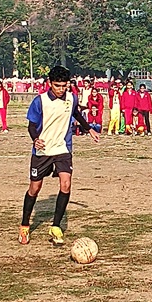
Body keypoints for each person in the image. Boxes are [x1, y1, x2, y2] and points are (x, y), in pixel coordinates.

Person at [19, 66, 100, 246]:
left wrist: (89, 129)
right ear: (50, 83)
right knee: (35, 188)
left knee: (66, 184)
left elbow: (75, 113)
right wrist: (35, 139)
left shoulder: (72, 98)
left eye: (64, 85)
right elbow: (31, 125)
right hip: (42, 150)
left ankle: (56, 226)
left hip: (62, 148)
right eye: (57, 85)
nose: (61, 89)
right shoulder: (40, 101)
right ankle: (24, 225)